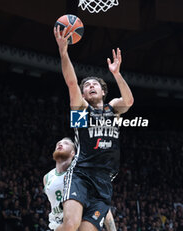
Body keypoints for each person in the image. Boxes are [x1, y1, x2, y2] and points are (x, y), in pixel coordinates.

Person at [53, 25, 134, 231]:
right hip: (82, 173)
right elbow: (71, 83)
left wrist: (116, 74)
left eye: (94, 84)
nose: (90, 86)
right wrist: (64, 52)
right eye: (86, 85)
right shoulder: (81, 111)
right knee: (70, 225)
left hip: (104, 181)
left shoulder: (113, 109)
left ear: (102, 90)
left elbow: (129, 101)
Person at [43, 137, 116, 231]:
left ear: (73, 153)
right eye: (58, 143)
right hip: (57, 226)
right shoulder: (47, 177)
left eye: (66, 143)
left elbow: (100, 203)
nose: (60, 144)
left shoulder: (82, 175)